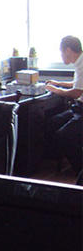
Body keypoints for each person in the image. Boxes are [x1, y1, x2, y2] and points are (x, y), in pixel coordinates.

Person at [44, 35, 83, 174]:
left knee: (64, 135)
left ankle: (80, 170)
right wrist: (59, 83)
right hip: (79, 107)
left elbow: (77, 92)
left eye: (61, 52)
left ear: (68, 50)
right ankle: (55, 165)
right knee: (53, 122)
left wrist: (55, 90)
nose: (61, 56)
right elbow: (77, 84)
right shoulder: (79, 62)